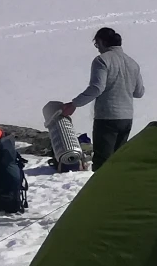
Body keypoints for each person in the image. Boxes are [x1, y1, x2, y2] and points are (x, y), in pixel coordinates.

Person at [61, 27, 145, 171]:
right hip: (126, 118)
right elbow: (139, 92)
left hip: (107, 117)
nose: (97, 48)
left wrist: (74, 104)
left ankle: (100, 192)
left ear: (102, 41)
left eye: (97, 44)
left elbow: (96, 88)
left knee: (102, 162)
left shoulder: (102, 60)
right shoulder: (133, 63)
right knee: (118, 160)